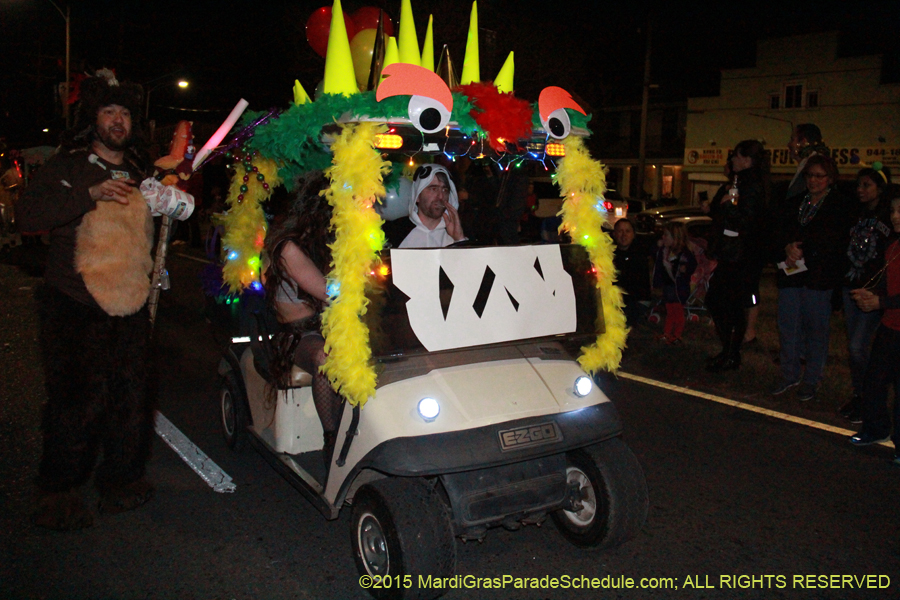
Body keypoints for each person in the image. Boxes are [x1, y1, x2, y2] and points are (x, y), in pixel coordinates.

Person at [17, 75, 162, 530]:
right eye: (109, 112)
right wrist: (88, 195)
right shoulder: (68, 165)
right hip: (73, 303)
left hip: (131, 304)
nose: (118, 121)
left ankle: (121, 480)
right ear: (92, 120)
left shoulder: (140, 171)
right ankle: (58, 492)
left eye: (125, 113)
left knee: (131, 399)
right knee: (75, 402)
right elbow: (28, 216)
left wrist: (170, 203)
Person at [263, 172, 343, 468]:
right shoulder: (288, 248)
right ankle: (332, 438)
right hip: (297, 335)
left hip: (326, 326)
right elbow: (328, 291)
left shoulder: (320, 242)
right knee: (324, 359)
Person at [771, 154, 852, 402]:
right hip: (791, 274)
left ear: (830, 178)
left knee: (816, 330)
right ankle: (790, 373)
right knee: (789, 327)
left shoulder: (839, 205)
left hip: (819, 278)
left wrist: (805, 250)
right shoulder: (794, 203)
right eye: (810, 175)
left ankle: (812, 378)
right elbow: (778, 233)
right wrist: (787, 247)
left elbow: (836, 244)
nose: (813, 180)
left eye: (819, 176)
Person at [704, 140, 770, 372]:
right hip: (734, 254)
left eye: (735, 156)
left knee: (725, 302)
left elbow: (747, 221)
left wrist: (728, 206)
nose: (732, 160)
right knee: (722, 302)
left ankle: (731, 354)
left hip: (740, 256)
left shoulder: (751, 185)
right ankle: (729, 352)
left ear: (746, 160)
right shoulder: (743, 182)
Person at [838, 165, 894, 423]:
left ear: (880, 189)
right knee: (855, 347)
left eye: (867, 185)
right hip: (852, 285)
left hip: (873, 291)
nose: (860, 190)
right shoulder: (855, 213)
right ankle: (860, 394)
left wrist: (879, 291)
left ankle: (871, 396)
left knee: (858, 346)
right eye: (858, 185)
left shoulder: (887, 218)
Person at [847, 192, 900, 462]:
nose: (895, 216)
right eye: (893, 211)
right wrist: (871, 295)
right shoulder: (893, 246)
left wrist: (881, 301)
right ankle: (876, 428)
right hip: (890, 326)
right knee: (874, 381)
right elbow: (889, 286)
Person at [399, 164, 466, 248]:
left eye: (445, 190)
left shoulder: (456, 234)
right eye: (433, 189)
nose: (440, 196)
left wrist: (459, 240)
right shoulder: (396, 232)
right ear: (417, 195)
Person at [652, 221, 696, 344]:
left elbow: (692, 264)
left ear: (676, 237)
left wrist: (685, 269)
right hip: (668, 287)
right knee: (670, 311)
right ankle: (667, 333)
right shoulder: (664, 251)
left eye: (666, 235)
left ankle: (677, 334)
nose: (663, 237)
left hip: (679, 288)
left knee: (678, 312)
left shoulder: (685, 253)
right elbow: (654, 257)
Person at [613, 218, 653, 326]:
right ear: (615, 234)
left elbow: (634, 285)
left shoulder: (640, 253)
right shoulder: (610, 254)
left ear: (633, 234)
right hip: (618, 301)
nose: (624, 235)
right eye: (620, 231)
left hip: (637, 300)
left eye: (627, 231)